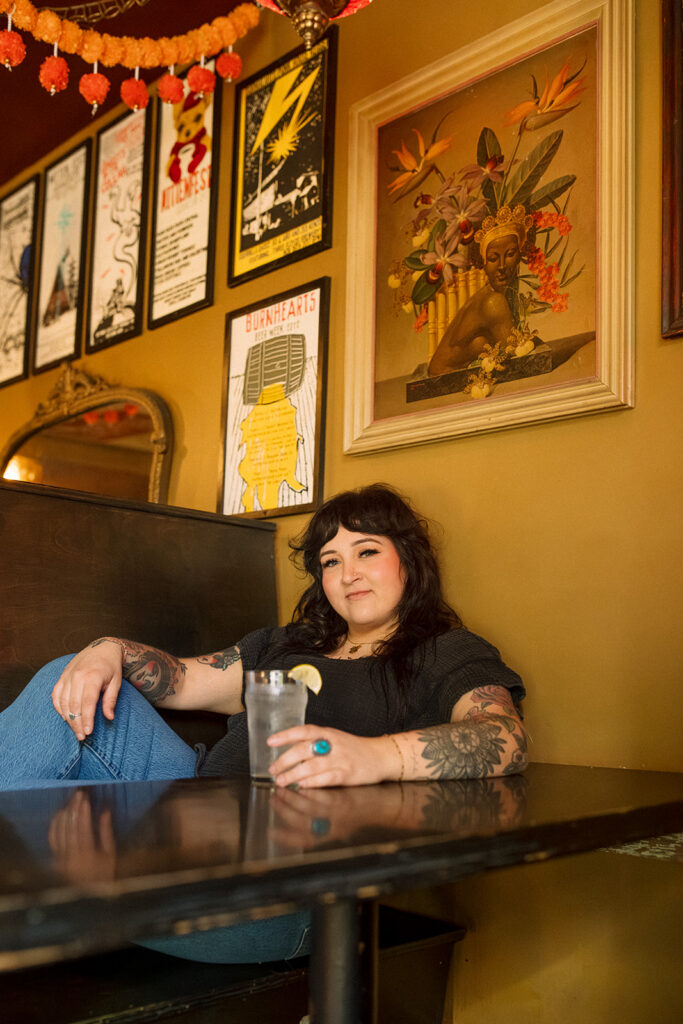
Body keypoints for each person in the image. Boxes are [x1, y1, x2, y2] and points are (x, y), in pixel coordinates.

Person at [0, 483, 527, 962]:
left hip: (288, 888)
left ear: (409, 559)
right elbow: (179, 679)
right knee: (64, 676)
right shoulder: (284, 645)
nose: (348, 574)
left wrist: (374, 756)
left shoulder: (446, 654)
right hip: (193, 815)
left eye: (367, 551)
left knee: (16, 822)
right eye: (330, 561)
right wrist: (105, 648)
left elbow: (503, 737)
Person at [428, 205, 533, 376]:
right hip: (445, 380)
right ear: (483, 263)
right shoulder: (494, 302)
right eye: (493, 258)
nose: (501, 266)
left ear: (519, 255)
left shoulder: (489, 294)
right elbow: (517, 354)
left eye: (510, 254)